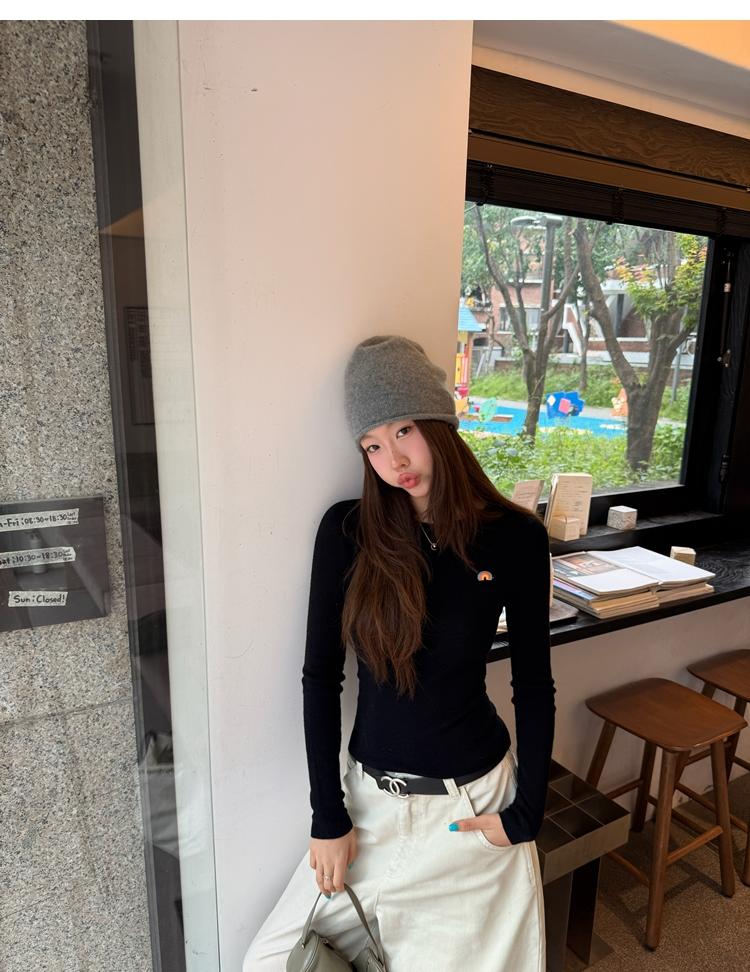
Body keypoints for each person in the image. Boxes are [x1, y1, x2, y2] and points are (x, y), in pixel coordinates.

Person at [244, 335, 555, 971]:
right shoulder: (348, 532)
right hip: (369, 809)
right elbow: (320, 677)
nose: (394, 459)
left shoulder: (515, 537)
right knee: (270, 962)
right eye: (373, 445)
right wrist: (327, 816)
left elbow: (532, 683)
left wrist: (528, 812)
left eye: (404, 430)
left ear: (439, 423)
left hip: (470, 813)